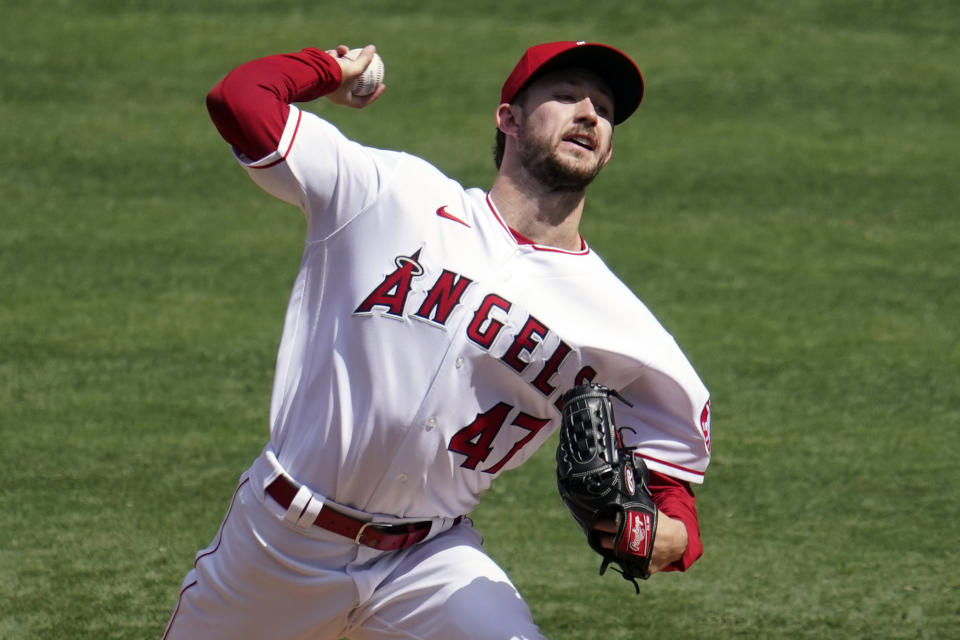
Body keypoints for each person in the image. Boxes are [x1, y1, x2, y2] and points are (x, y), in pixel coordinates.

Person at [163, 40, 712, 640]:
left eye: (604, 108)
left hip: (428, 564)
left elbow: (671, 475)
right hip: (279, 545)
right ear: (508, 118)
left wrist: (672, 536)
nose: (589, 113)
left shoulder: (622, 326)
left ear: (608, 150)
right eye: (564, 96)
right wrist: (331, 70)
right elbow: (240, 100)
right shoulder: (391, 193)